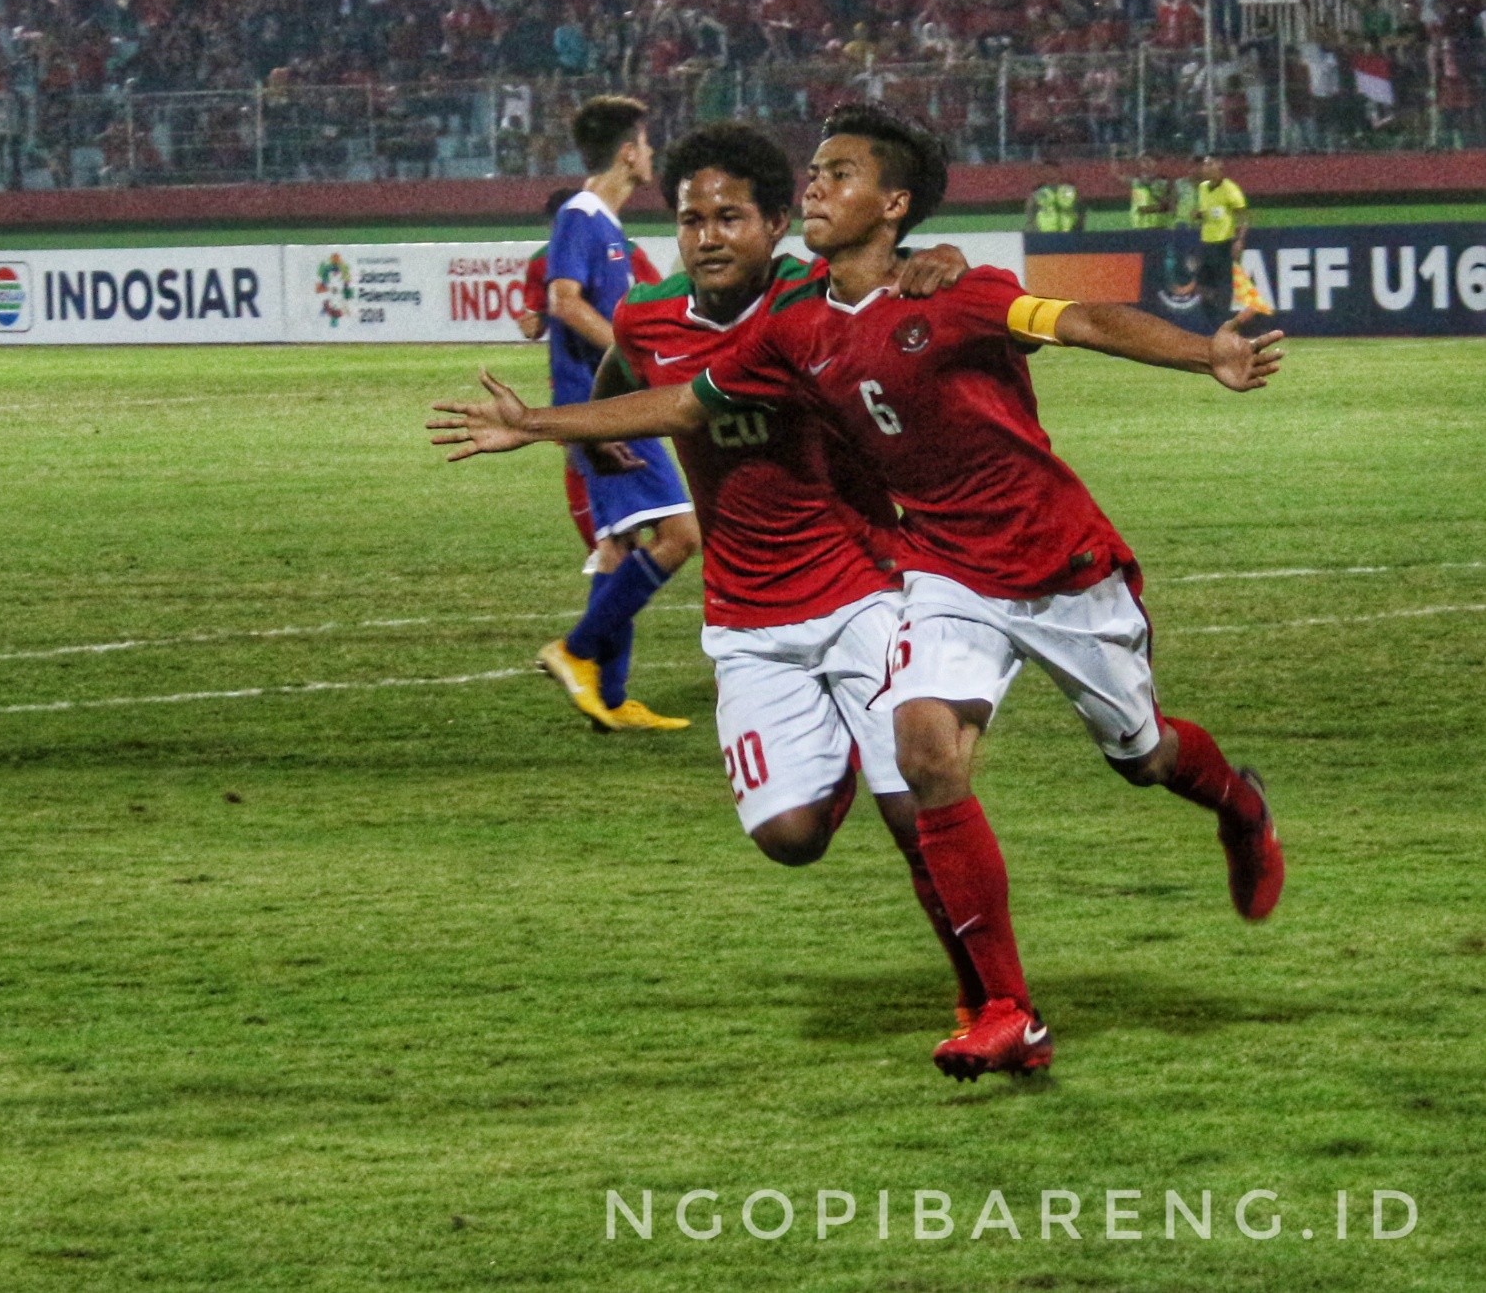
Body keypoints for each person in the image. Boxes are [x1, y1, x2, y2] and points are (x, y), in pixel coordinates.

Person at [430, 104, 1286, 1082]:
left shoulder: (954, 292)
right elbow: (680, 399)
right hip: (935, 573)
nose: (812, 189)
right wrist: (545, 422)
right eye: (813, 174)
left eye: (833, 175)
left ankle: (1235, 803)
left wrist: (1202, 351)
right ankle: (1006, 1009)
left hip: (1057, 566)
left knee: (1141, 755)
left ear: (890, 204)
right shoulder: (792, 328)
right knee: (921, 761)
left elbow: (1082, 318)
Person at [573, 121, 996, 1029]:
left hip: (863, 593)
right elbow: (619, 366)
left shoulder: (820, 289)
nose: (707, 236)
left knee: (914, 814)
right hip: (747, 619)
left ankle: (986, 999)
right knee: (789, 840)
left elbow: (912, 267)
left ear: (776, 225)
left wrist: (941, 258)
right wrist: (607, 432)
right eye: (690, 220)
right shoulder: (650, 316)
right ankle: (836, 760)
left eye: (731, 217)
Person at [535, 95, 698, 733]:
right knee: (682, 537)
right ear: (628, 152)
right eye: (648, 142)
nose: (652, 153)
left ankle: (610, 698)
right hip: (607, 410)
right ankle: (575, 651)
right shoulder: (581, 215)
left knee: (619, 547)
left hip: (613, 405)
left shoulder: (606, 226)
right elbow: (564, 302)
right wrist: (633, 353)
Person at [518, 187, 597, 552]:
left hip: (613, 369)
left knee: (611, 455)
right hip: (574, 374)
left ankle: (612, 544)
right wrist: (531, 323)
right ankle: (601, 548)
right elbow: (536, 326)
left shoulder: (621, 249)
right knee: (581, 455)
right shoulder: (540, 262)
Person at [1194, 154, 1248, 311]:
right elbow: (1208, 212)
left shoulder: (1230, 189)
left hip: (1223, 243)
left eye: (1210, 164)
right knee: (1201, 286)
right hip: (1206, 242)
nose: (1206, 168)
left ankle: (1223, 322)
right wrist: (1199, 215)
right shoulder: (1202, 187)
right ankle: (1214, 311)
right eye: (1205, 165)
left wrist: (1239, 241)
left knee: (1224, 285)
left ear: (1219, 166)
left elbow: (1244, 217)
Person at [1023, 159, 1085, 232]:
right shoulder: (1037, 193)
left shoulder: (1071, 190)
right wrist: (1034, 231)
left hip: (1069, 234)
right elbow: (1030, 213)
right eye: (1046, 171)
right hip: (1044, 234)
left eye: (1052, 171)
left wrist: (1078, 229)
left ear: (1059, 172)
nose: (1049, 174)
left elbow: (1081, 211)